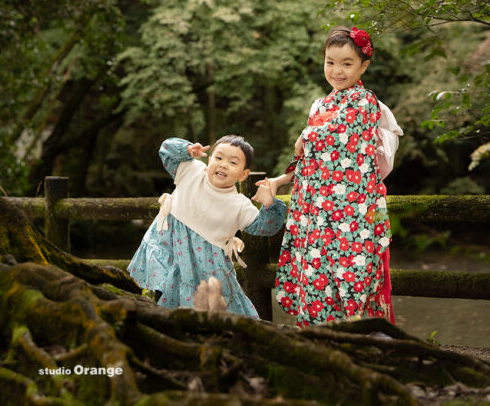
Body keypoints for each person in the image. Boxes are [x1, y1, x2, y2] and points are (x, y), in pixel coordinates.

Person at [263, 26, 402, 326]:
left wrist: (305, 136)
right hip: (316, 210)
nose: (337, 71)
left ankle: (356, 344)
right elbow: (310, 160)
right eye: (330, 62)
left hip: (352, 212)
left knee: (353, 274)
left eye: (347, 63)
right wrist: (279, 180)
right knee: (316, 275)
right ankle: (320, 342)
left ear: (364, 66)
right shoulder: (322, 104)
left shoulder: (365, 102)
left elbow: (340, 137)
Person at [127, 134, 287, 318]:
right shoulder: (191, 170)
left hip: (205, 266)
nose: (223, 164)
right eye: (218, 158)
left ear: (243, 174)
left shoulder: (239, 205)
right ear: (209, 160)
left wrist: (269, 205)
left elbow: (264, 227)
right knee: (164, 299)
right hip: (170, 247)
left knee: (207, 312)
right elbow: (165, 149)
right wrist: (186, 150)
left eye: (233, 162)